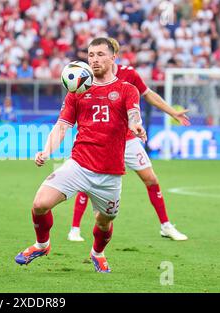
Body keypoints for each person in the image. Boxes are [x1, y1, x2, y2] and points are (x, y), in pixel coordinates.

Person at [15, 38, 147, 272]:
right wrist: (46, 151)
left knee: (104, 222)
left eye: (99, 54)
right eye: (90, 55)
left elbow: (134, 113)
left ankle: (97, 253)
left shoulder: (127, 89)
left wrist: (136, 125)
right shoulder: (77, 91)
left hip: (110, 174)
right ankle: (41, 244)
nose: (94, 59)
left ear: (112, 57)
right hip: (78, 164)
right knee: (39, 204)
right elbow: (62, 126)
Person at [67, 37, 190, 242]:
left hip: (127, 138)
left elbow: (148, 95)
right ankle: (75, 228)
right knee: (89, 182)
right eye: (95, 55)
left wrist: (172, 112)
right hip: (101, 140)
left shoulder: (129, 74)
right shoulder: (88, 76)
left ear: (114, 55)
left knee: (151, 179)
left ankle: (166, 226)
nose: (99, 59)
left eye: (103, 54)